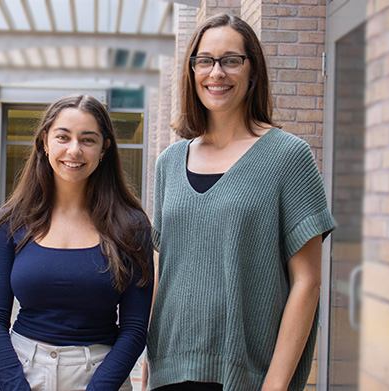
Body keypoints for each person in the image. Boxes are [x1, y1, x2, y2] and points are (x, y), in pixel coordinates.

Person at [144, 14, 337, 391]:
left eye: (231, 60)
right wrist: (149, 370)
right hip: (170, 369)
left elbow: (308, 282)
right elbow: (162, 268)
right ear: (191, 71)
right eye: (205, 60)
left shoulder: (288, 156)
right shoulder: (169, 161)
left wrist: (276, 385)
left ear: (253, 71)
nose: (217, 73)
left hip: (249, 375)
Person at [0, 94, 154, 391]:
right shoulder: (10, 222)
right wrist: (15, 386)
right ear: (45, 142)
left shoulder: (131, 226)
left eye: (88, 140)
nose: (74, 150)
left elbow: (135, 328)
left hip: (102, 377)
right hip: (22, 373)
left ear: (104, 149)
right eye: (63, 137)